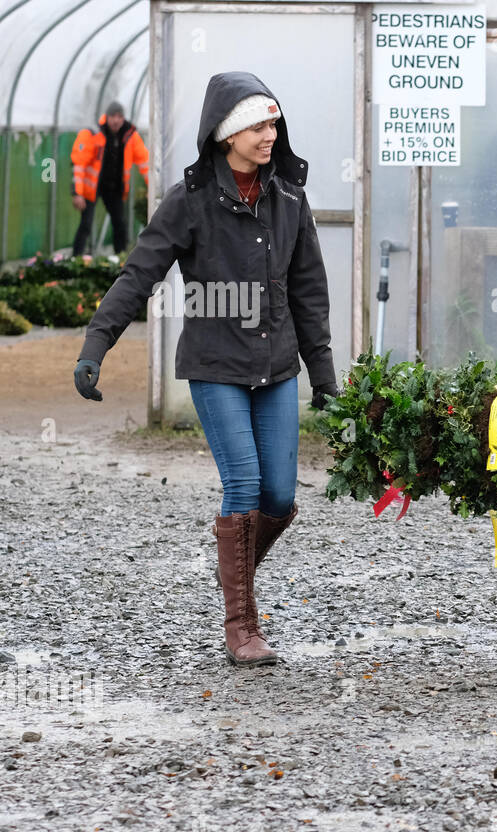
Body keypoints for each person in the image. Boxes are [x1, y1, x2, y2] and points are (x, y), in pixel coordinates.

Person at [72, 72, 339, 668]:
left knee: (278, 496)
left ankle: (232, 570)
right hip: (215, 365)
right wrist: (97, 343)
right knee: (242, 487)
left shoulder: (290, 196)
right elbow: (139, 274)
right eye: (257, 126)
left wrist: (323, 376)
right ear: (226, 136)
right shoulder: (190, 199)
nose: (271, 135)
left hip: (276, 366)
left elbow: (308, 290)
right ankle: (242, 624)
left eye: (273, 123)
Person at [70, 101, 150, 257]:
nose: (116, 120)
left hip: (115, 187)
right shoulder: (93, 134)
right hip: (92, 187)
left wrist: (153, 188)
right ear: (106, 117)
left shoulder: (130, 135)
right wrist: (77, 193)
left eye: (120, 116)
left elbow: (145, 163)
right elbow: (79, 164)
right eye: (113, 116)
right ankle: (76, 259)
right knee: (86, 224)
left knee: (120, 224)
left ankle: (121, 260)